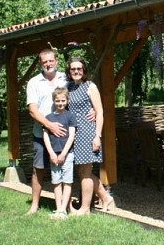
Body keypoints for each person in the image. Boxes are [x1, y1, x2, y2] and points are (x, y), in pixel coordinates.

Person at [66, 56, 115, 215]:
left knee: (86, 171)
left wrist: (97, 136)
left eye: (79, 69)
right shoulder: (68, 87)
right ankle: (106, 198)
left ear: (84, 70)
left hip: (88, 132)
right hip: (74, 133)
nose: (76, 71)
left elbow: (100, 112)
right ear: (69, 71)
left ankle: (85, 208)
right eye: (73, 69)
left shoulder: (90, 86)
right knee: (82, 171)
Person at [25, 48, 67, 215]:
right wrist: (50, 126)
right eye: (44, 62)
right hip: (40, 133)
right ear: (40, 64)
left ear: (56, 61)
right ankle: (34, 205)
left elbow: (80, 96)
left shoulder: (66, 78)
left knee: (65, 169)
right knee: (38, 169)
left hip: (63, 134)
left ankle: (64, 206)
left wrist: (93, 110)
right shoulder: (34, 82)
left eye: (51, 61)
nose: (48, 64)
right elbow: (33, 111)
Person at [42, 87, 77, 219]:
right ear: (54, 101)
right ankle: (58, 209)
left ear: (67, 100)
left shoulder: (70, 116)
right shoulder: (48, 118)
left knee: (67, 181)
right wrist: (51, 153)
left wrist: (63, 153)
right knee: (56, 181)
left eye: (63, 100)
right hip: (53, 155)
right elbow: (45, 136)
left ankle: (63, 209)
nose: (60, 103)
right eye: (58, 101)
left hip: (67, 154)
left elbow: (71, 136)